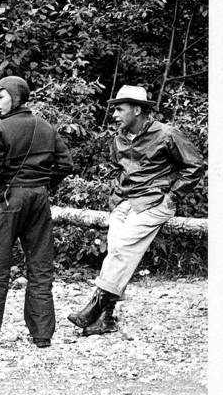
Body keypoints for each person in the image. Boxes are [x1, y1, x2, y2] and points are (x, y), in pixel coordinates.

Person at [67, 85, 206, 334]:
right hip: (125, 202)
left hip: (154, 202)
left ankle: (95, 308)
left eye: (120, 109)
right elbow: (116, 167)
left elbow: (195, 165)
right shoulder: (119, 138)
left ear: (137, 109)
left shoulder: (167, 134)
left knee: (122, 249)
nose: (115, 115)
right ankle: (107, 319)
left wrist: (173, 197)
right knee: (115, 252)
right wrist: (116, 195)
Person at [0, 76, 73, 348]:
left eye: (0, 97)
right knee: (41, 267)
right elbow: (65, 164)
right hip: (39, 198)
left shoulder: (3, 128)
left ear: (16, 97)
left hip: (10, 199)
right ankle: (42, 335)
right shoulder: (46, 126)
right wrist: (44, 184)